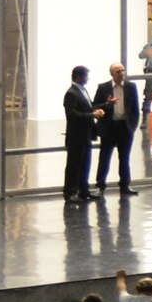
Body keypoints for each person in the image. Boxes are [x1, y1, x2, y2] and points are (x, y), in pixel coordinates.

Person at [91, 62, 140, 193]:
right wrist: (107, 104)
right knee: (105, 158)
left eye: (123, 70)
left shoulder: (131, 87)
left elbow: (135, 108)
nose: (121, 73)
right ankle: (100, 186)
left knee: (124, 158)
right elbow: (95, 106)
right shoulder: (103, 88)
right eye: (118, 71)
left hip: (125, 127)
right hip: (109, 127)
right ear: (112, 74)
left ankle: (125, 185)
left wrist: (133, 126)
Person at [61, 63, 95, 202]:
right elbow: (72, 115)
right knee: (74, 166)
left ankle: (83, 190)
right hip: (76, 136)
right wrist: (92, 115)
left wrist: (106, 105)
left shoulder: (83, 91)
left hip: (85, 135)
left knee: (85, 164)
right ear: (78, 77)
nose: (87, 79)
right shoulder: (71, 93)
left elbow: (89, 107)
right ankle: (70, 192)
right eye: (86, 76)